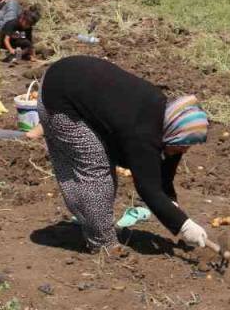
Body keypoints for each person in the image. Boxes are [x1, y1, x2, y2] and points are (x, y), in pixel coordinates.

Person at [39, 55, 212, 253]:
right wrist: (184, 226)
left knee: (101, 162)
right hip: (60, 95)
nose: (184, 151)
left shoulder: (169, 120)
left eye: (186, 147)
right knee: (96, 170)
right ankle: (102, 243)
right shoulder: (142, 133)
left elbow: (163, 177)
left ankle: (91, 219)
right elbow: (148, 189)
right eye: (182, 145)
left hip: (75, 80)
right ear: (173, 132)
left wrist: (173, 208)